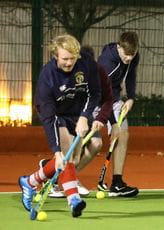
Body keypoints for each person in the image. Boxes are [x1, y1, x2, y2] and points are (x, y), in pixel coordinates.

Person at [18, 34, 101, 217]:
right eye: (65, 59)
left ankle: (30, 181)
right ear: (55, 56)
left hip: (76, 113)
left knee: (73, 160)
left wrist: (84, 117)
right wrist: (56, 151)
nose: (69, 62)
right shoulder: (47, 79)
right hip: (56, 115)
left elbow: (94, 93)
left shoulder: (86, 63)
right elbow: (48, 120)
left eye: (73, 58)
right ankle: (74, 200)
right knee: (65, 157)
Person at [97, 31, 140, 197]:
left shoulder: (133, 57)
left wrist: (131, 98)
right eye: (126, 54)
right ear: (118, 47)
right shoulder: (107, 63)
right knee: (89, 144)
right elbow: (101, 96)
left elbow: (131, 77)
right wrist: (113, 123)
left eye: (132, 54)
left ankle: (117, 183)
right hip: (95, 100)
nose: (129, 58)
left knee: (123, 135)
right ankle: (52, 169)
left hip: (113, 99)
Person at [73, 45, 115, 196]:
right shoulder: (71, 71)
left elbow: (108, 99)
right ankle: (49, 172)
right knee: (73, 148)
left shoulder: (99, 72)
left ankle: (72, 177)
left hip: (87, 114)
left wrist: (101, 118)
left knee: (97, 144)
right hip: (68, 114)